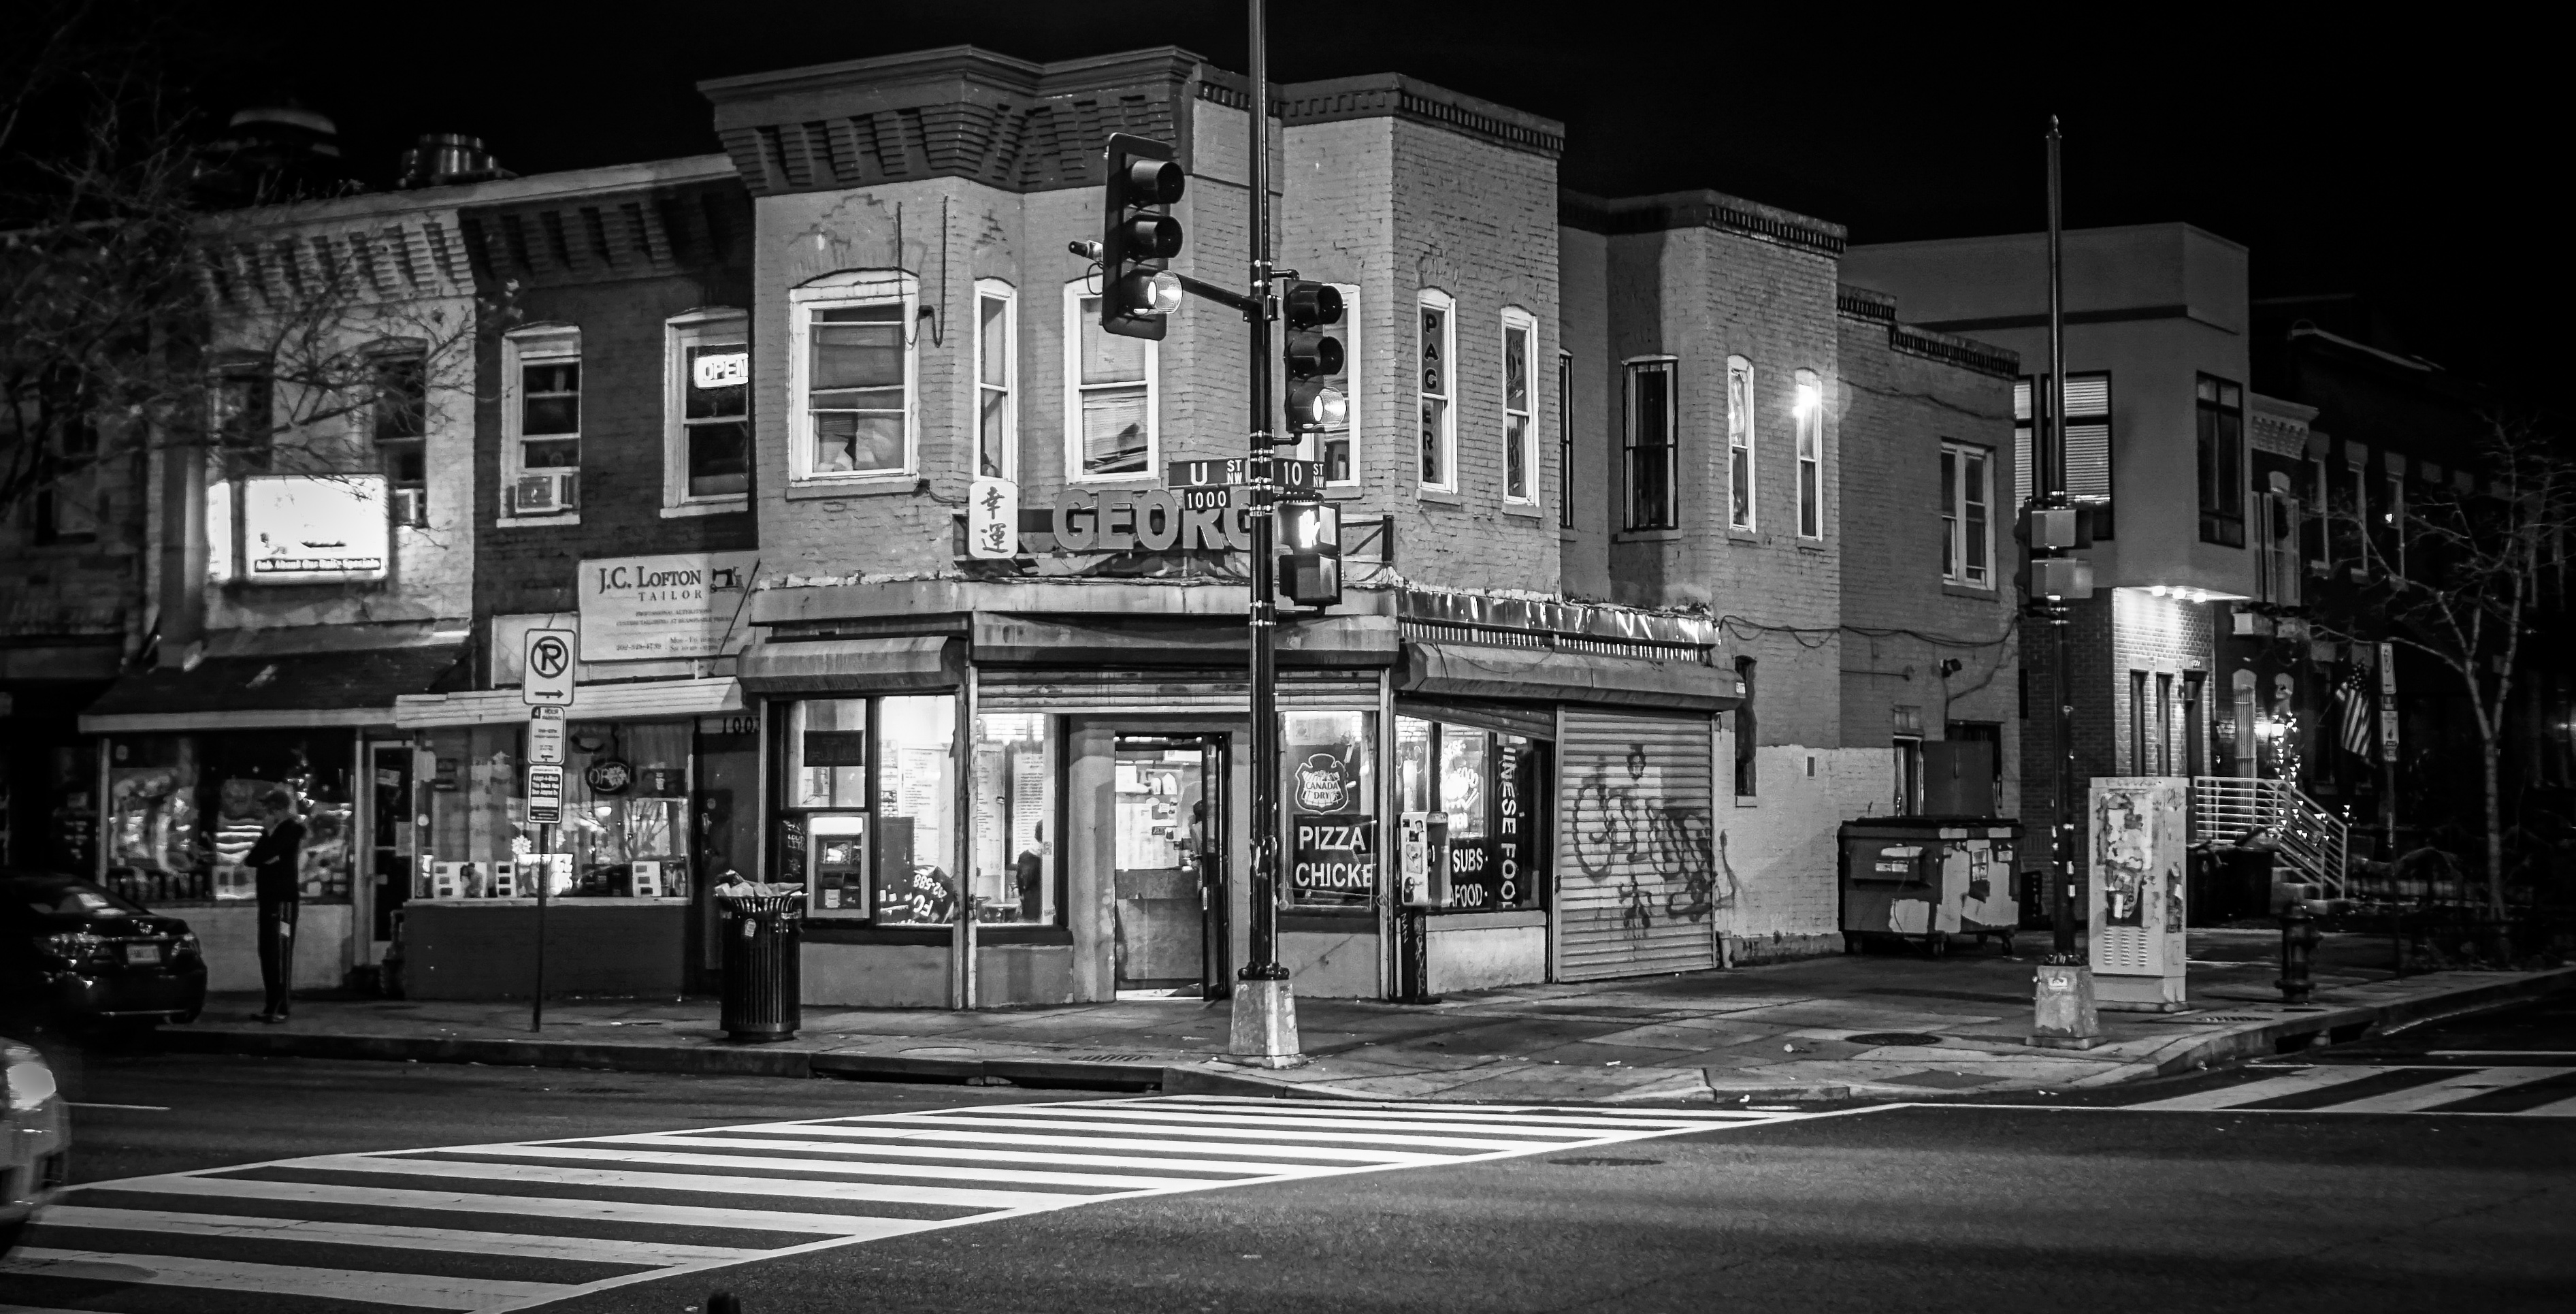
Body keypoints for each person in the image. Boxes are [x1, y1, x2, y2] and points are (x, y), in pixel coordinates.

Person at [240, 788, 306, 1023]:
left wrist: (269, 839)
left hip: (284, 902)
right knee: (267, 951)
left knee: (280, 951)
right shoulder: (272, 832)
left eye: (268, 811)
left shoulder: (291, 830)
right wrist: (267, 841)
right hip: (268, 900)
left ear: (278, 810)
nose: (264, 816)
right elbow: (253, 859)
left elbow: (267, 853)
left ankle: (281, 1006)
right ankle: (271, 1004)